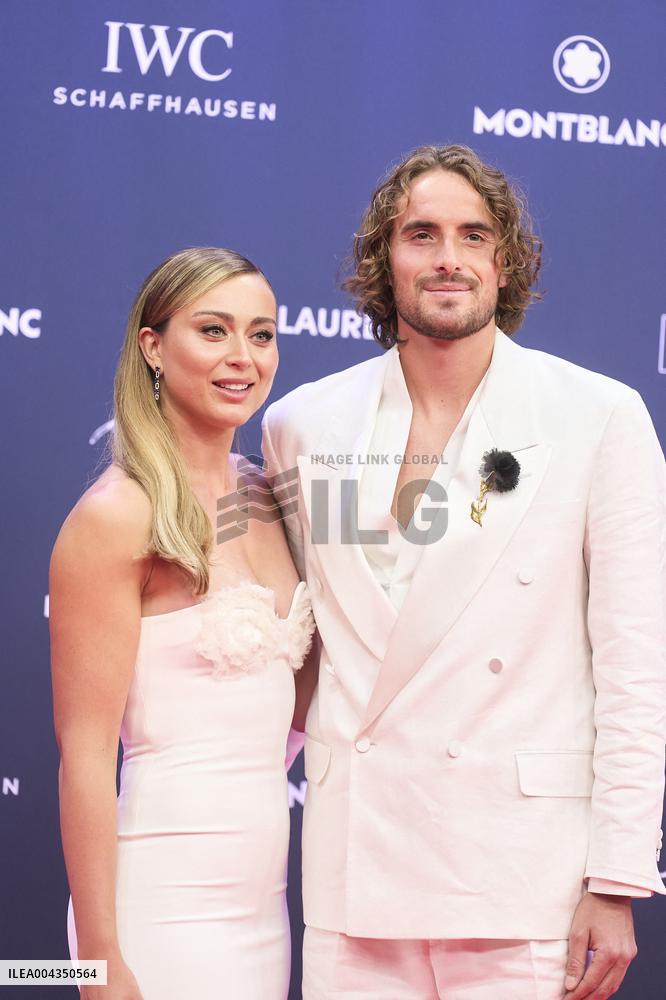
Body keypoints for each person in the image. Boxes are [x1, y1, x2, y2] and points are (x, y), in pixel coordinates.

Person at [262, 145, 666, 999]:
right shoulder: (301, 423)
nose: (448, 256)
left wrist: (619, 877)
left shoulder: (596, 416)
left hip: (523, 878)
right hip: (354, 876)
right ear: (384, 259)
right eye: (421, 234)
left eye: (472, 235)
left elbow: (636, 664)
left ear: (503, 260)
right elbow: (302, 646)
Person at [49, 247, 315, 1000]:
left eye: (262, 335)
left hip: (264, 909)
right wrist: (99, 963)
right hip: (158, 909)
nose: (243, 357)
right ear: (153, 346)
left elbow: (287, 709)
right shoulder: (115, 516)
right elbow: (87, 753)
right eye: (214, 330)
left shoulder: (268, 499)